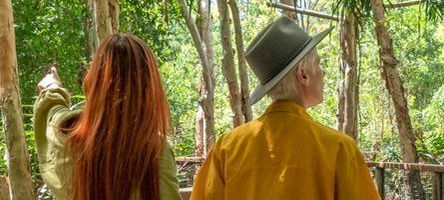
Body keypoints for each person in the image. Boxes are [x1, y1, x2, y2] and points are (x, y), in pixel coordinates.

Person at [190, 17, 381, 200]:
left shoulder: (227, 148)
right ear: (303, 75)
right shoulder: (338, 148)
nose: (322, 73)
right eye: (318, 64)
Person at [33, 34, 181, 200]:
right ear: (150, 87)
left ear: (95, 82)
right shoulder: (156, 151)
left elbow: (52, 115)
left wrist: (52, 88)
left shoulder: (67, 137)